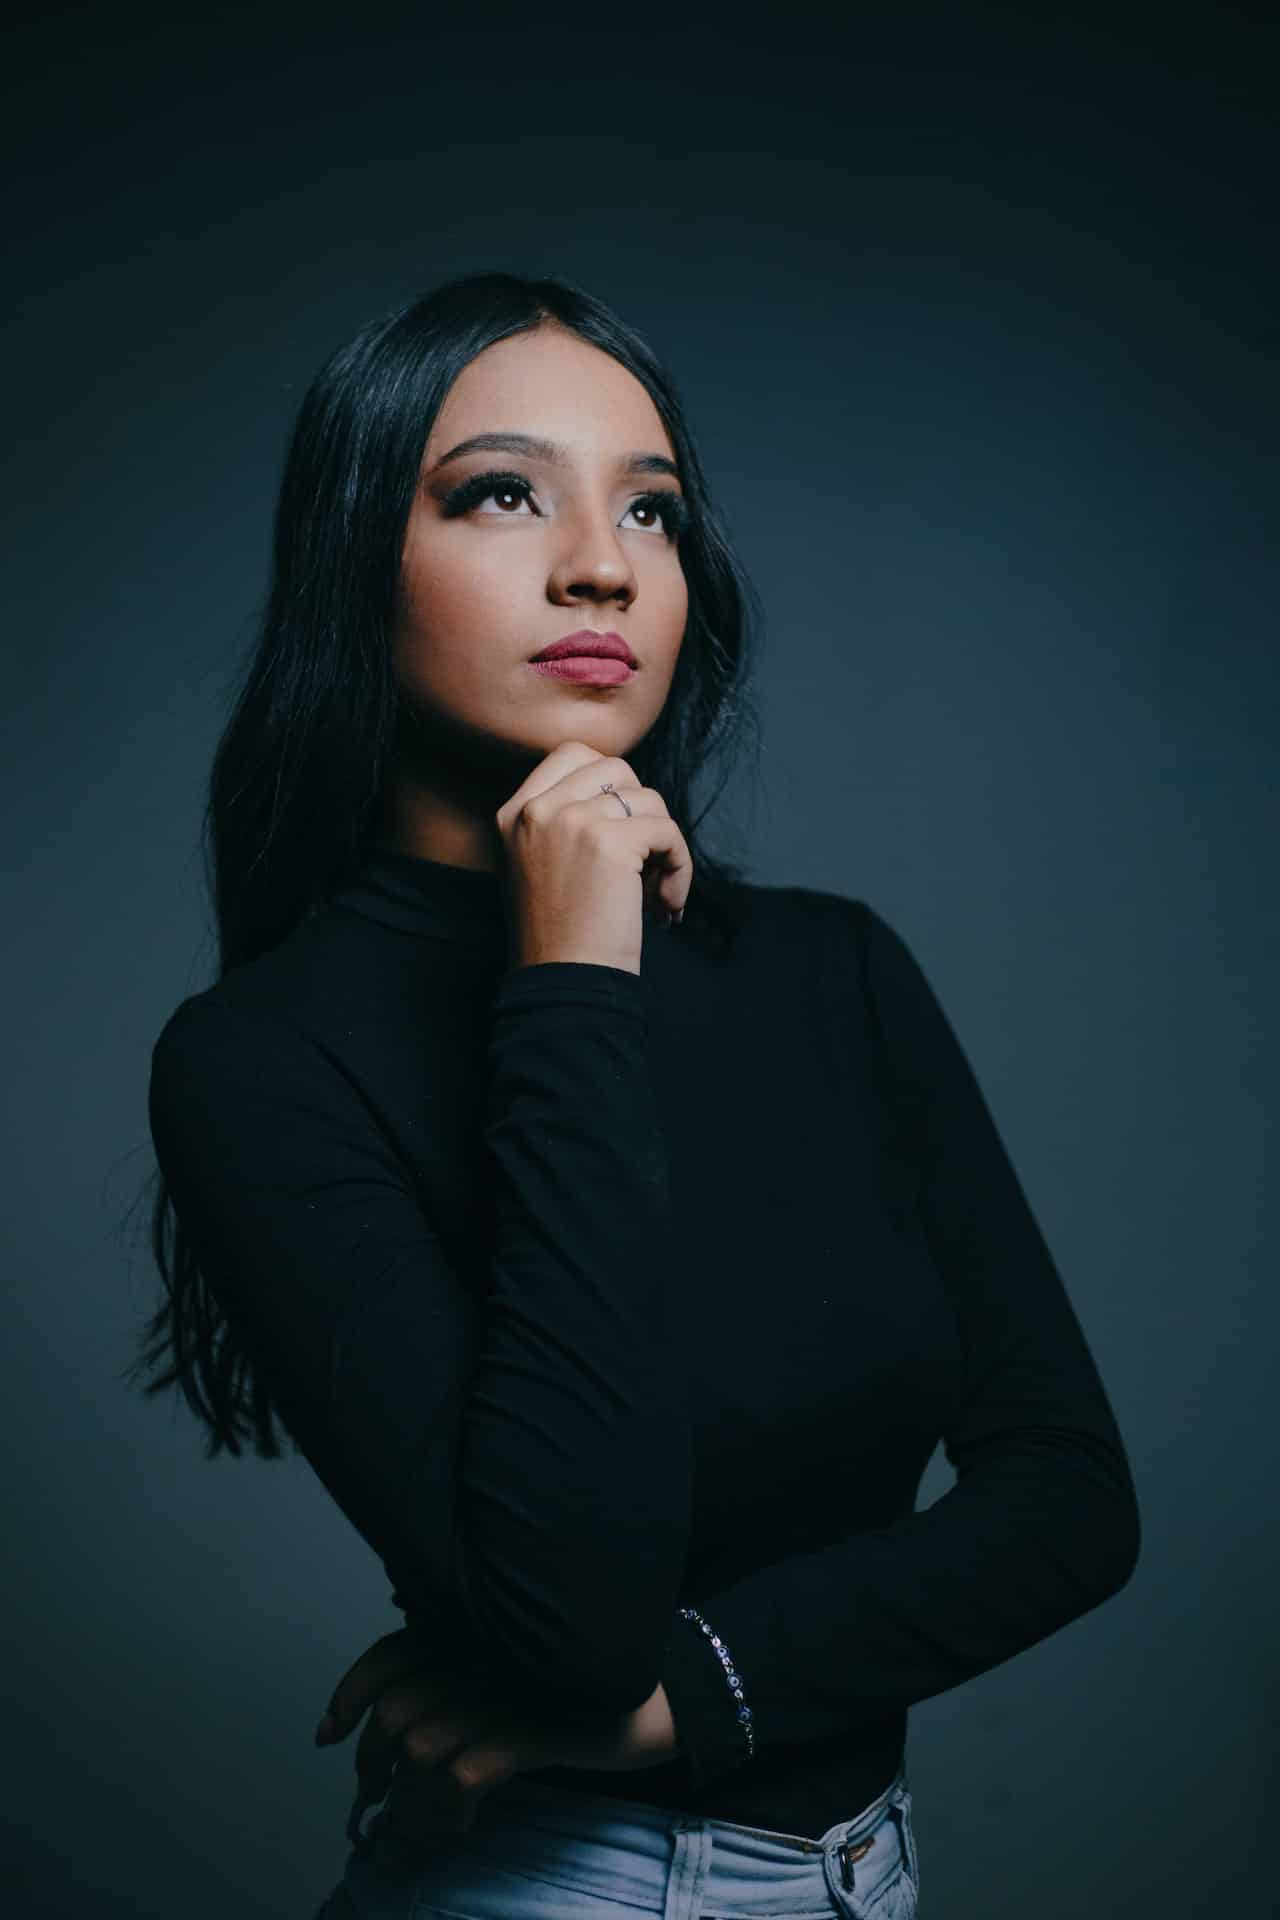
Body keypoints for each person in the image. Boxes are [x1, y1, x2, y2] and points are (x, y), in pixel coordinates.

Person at [137, 269, 1142, 1920]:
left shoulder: (834, 969)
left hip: (869, 1879)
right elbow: (572, 1608)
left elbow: (1072, 1502)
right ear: (352, 567)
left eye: (654, 511)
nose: (602, 560)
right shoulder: (264, 1058)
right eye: (502, 494)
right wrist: (571, 983)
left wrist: (686, 1701)